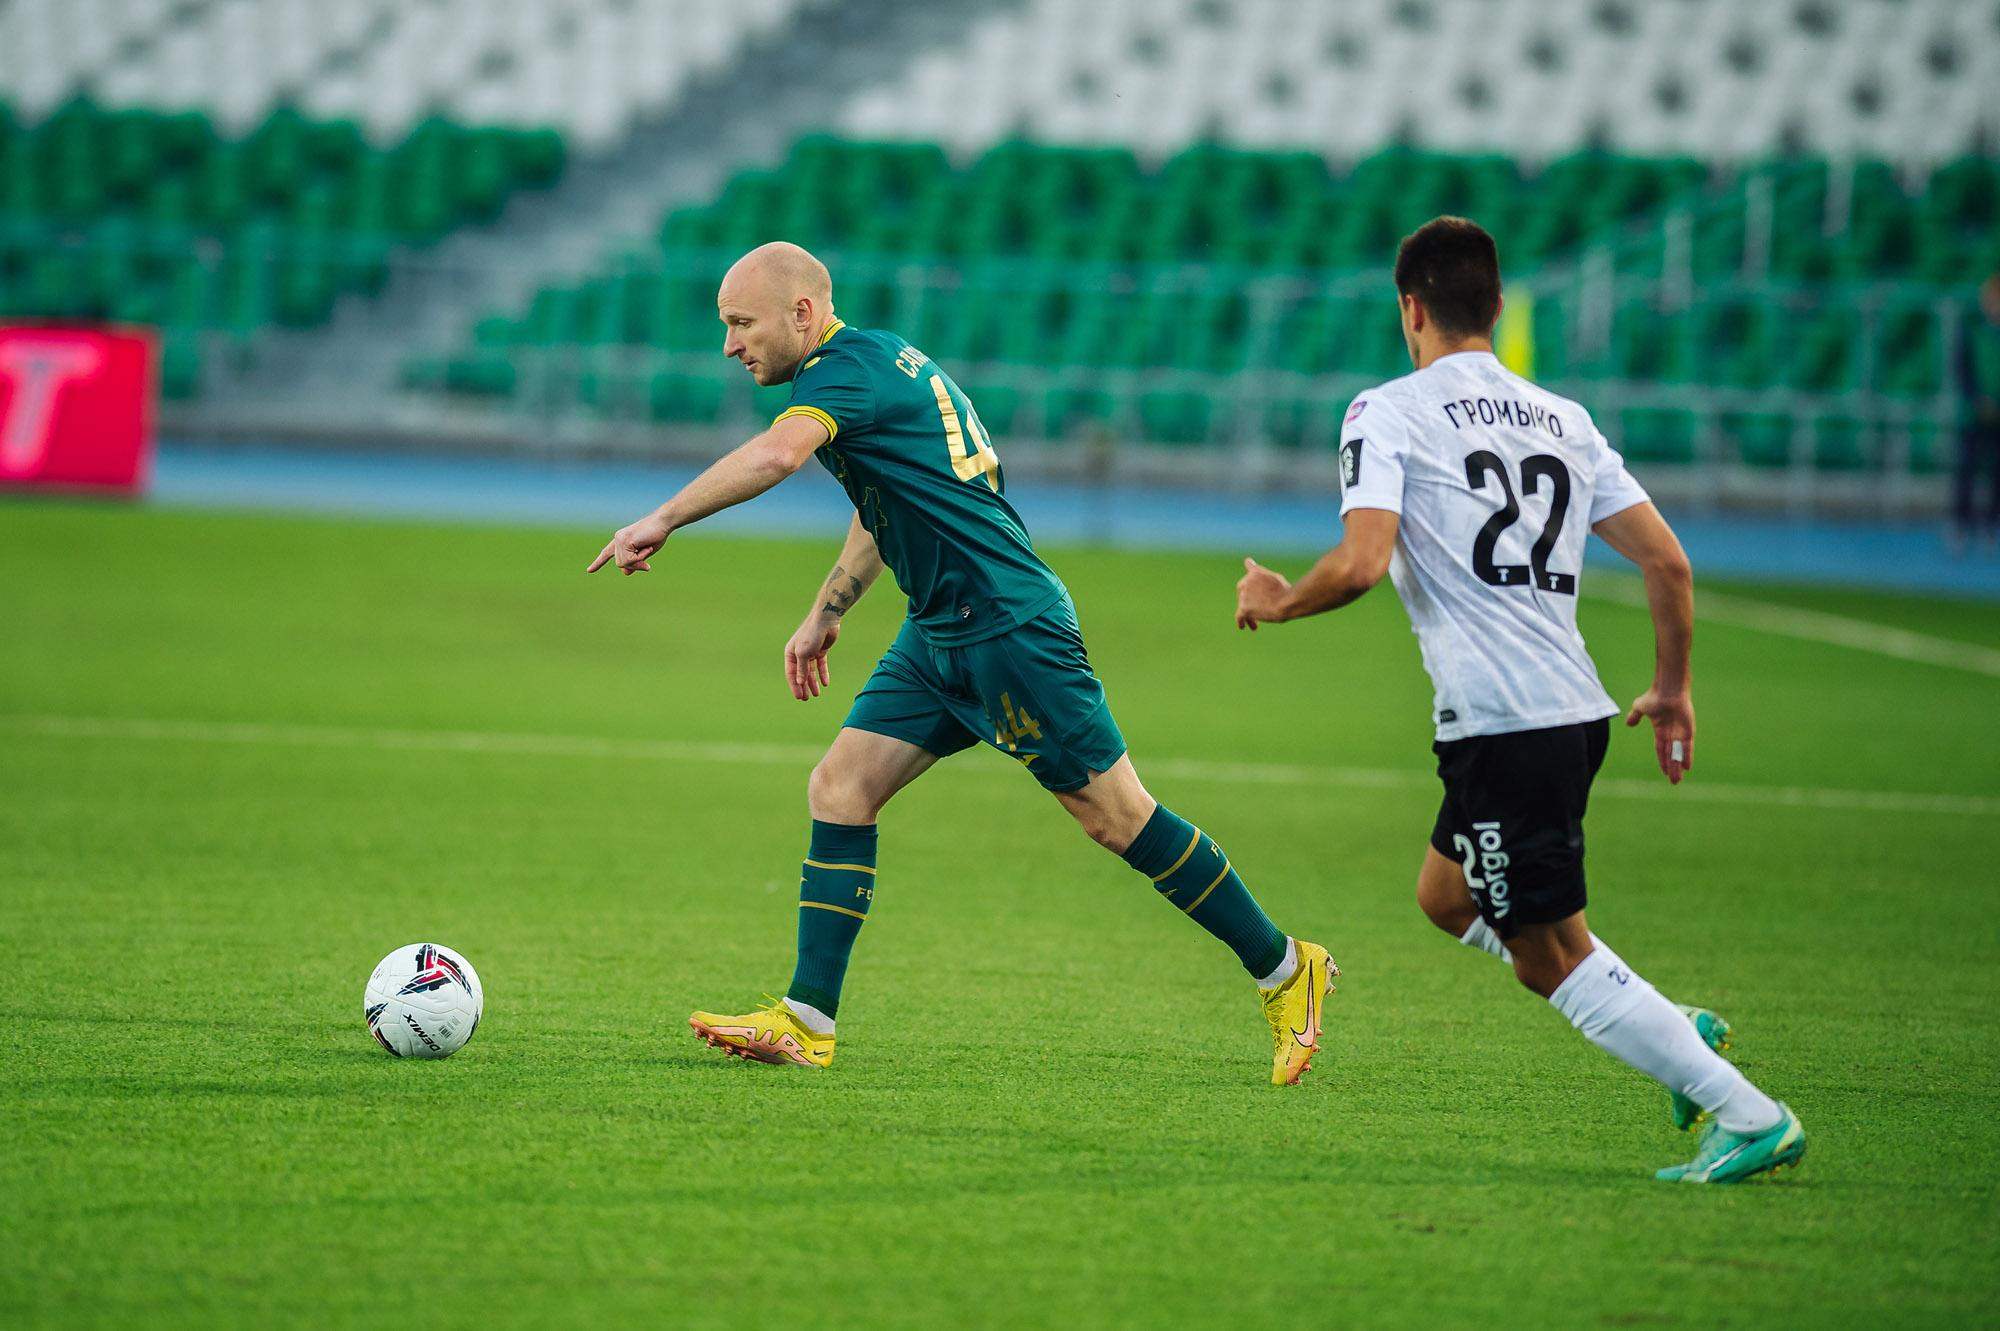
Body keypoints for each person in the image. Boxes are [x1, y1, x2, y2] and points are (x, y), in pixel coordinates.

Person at [589, 242, 1334, 1084]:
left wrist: (662, 518)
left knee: (1116, 816)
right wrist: (828, 609)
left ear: (802, 313)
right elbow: (887, 503)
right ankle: (806, 1019)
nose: (729, 345)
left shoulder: (840, 372)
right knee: (842, 785)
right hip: (940, 627)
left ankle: (1285, 967)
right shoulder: (876, 364)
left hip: (1010, 626)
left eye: (740, 323)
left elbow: (774, 457)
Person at [1233, 217, 1805, 1181]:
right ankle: (1670, 1029)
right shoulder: (1564, 419)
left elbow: (1365, 561)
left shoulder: (1388, 410)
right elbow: (1668, 560)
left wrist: (1280, 599)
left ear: (1408, 307)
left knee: (1547, 956)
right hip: (1569, 709)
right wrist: (1671, 688)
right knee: (1445, 894)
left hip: (1508, 722)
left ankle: (1746, 1112)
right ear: (1497, 308)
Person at [1951, 272, 2000, 553]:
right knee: (1967, 470)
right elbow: (1962, 368)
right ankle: (1960, 526)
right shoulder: (1973, 329)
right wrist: (1976, 399)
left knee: (1995, 474)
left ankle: (1990, 527)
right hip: (1972, 414)